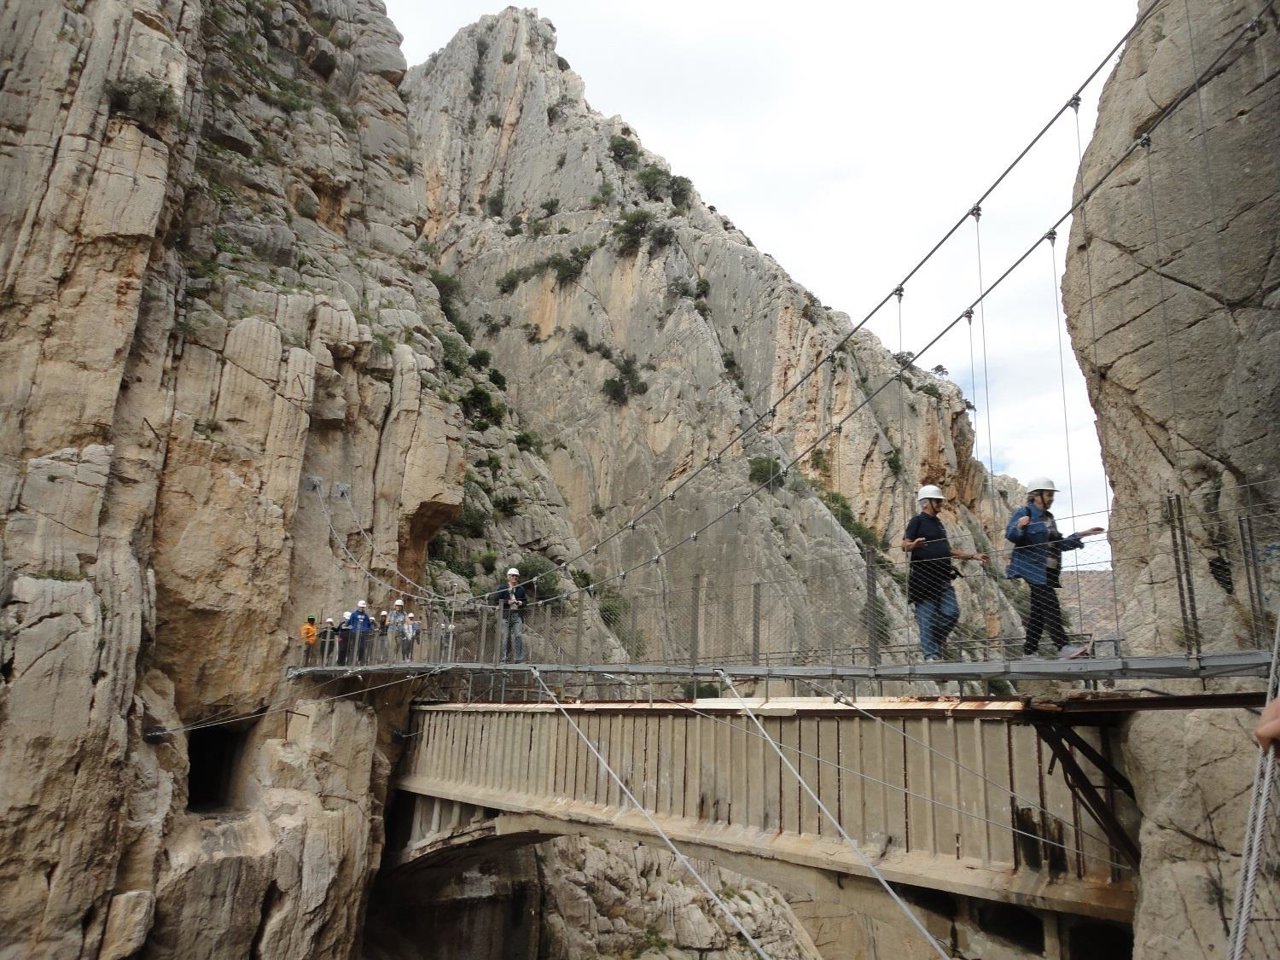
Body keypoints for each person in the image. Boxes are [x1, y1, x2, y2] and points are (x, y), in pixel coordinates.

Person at [1005, 477, 1105, 658]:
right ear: (1036, 495)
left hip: (1048, 571)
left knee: (1038, 612)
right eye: (1048, 494)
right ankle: (1062, 646)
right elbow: (1011, 535)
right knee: (1050, 605)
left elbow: (1058, 544)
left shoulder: (1049, 518)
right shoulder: (1024, 512)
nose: (1051, 498)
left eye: (1052, 495)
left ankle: (1029, 653)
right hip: (1032, 568)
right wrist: (1019, 526)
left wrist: (1082, 534)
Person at [902, 485, 988, 661]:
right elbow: (904, 545)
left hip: (942, 578)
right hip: (923, 579)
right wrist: (914, 545)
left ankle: (934, 642)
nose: (940, 503)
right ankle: (931, 655)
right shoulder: (916, 521)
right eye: (937, 501)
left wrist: (973, 555)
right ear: (926, 503)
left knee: (952, 612)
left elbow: (947, 550)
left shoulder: (939, 524)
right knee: (926, 618)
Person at [494, 567, 527, 663]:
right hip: (505, 615)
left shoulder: (521, 589)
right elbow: (496, 600)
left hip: (517, 615)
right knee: (506, 637)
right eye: (513, 575)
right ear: (508, 577)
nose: (514, 577)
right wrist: (508, 602)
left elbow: (525, 602)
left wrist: (520, 603)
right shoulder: (502, 588)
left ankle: (519, 659)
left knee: (518, 635)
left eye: (516, 576)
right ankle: (505, 658)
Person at [348, 600, 376, 665]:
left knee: (362, 647)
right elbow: (350, 622)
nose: (362, 608)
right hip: (355, 633)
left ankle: (361, 661)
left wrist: (373, 629)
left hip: (363, 633)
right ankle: (352, 662)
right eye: (361, 607)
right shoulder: (354, 614)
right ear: (358, 606)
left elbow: (369, 624)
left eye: (363, 607)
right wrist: (347, 626)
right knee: (354, 647)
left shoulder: (366, 616)